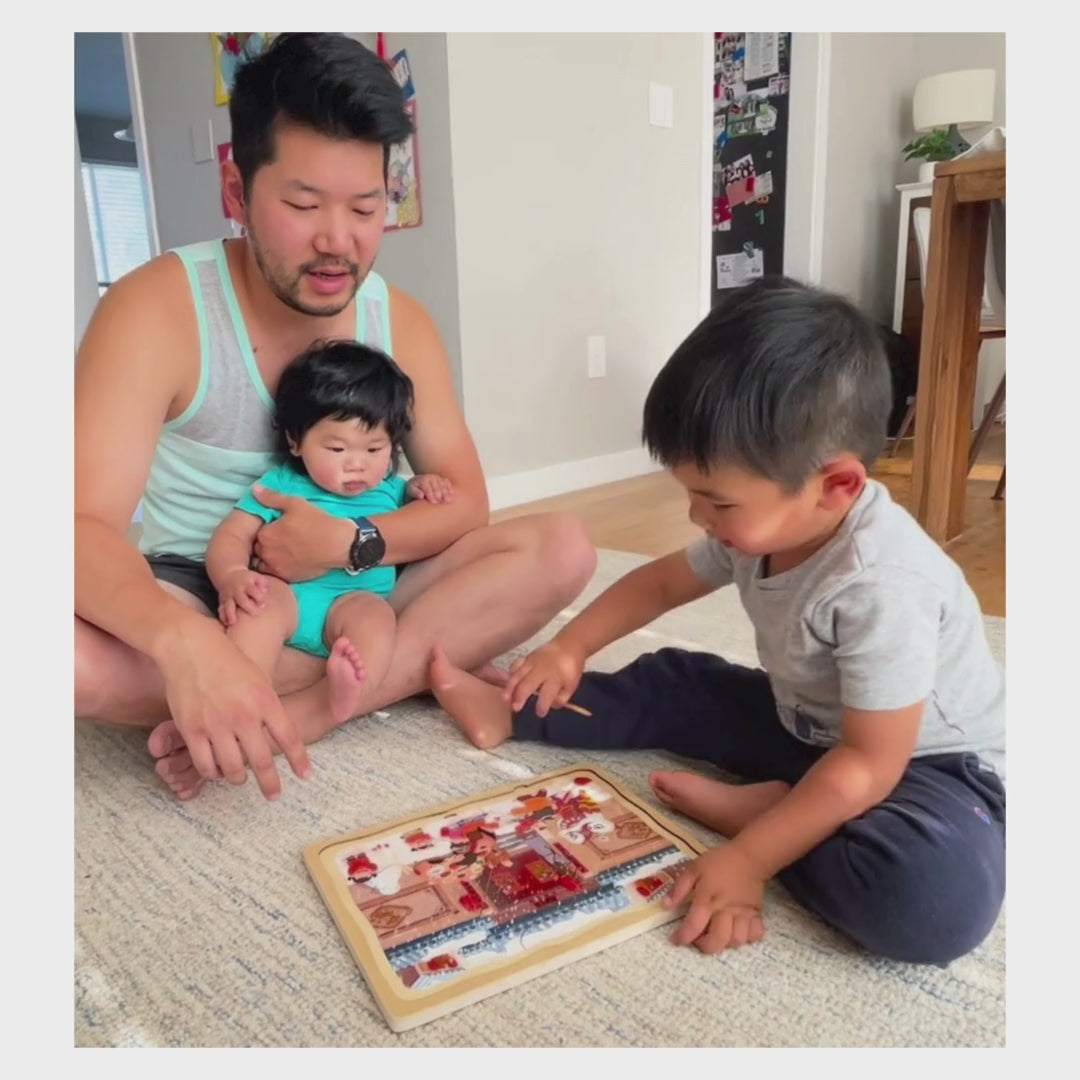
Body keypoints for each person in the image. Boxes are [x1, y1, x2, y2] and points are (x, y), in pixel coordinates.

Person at [74, 33, 595, 803]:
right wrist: (186, 645)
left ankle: (303, 699)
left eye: (365, 207)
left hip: (365, 582)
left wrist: (355, 542)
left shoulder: (401, 323)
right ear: (234, 187)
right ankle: (371, 671)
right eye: (302, 204)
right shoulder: (155, 309)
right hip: (209, 591)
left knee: (564, 549)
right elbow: (77, 527)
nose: (337, 241)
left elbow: (467, 501)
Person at [427, 276, 1006, 966]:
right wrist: (567, 646)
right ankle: (514, 711)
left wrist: (749, 860)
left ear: (837, 487)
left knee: (930, 904)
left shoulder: (884, 584)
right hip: (809, 726)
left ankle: (773, 816)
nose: (701, 519)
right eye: (691, 495)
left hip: (923, 769)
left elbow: (869, 764)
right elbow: (662, 581)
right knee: (675, 683)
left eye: (718, 503)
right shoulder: (761, 529)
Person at [208, 339, 454, 731]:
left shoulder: (391, 489)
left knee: (378, 621)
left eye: (375, 449)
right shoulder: (281, 484)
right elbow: (232, 535)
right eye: (337, 448)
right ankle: (243, 695)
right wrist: (232, 576)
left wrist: (427, 485)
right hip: (290, 598)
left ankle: (351, 689)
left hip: (352, 603)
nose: (357, 465)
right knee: (256, 611)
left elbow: (430, 518)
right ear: (295, 440)